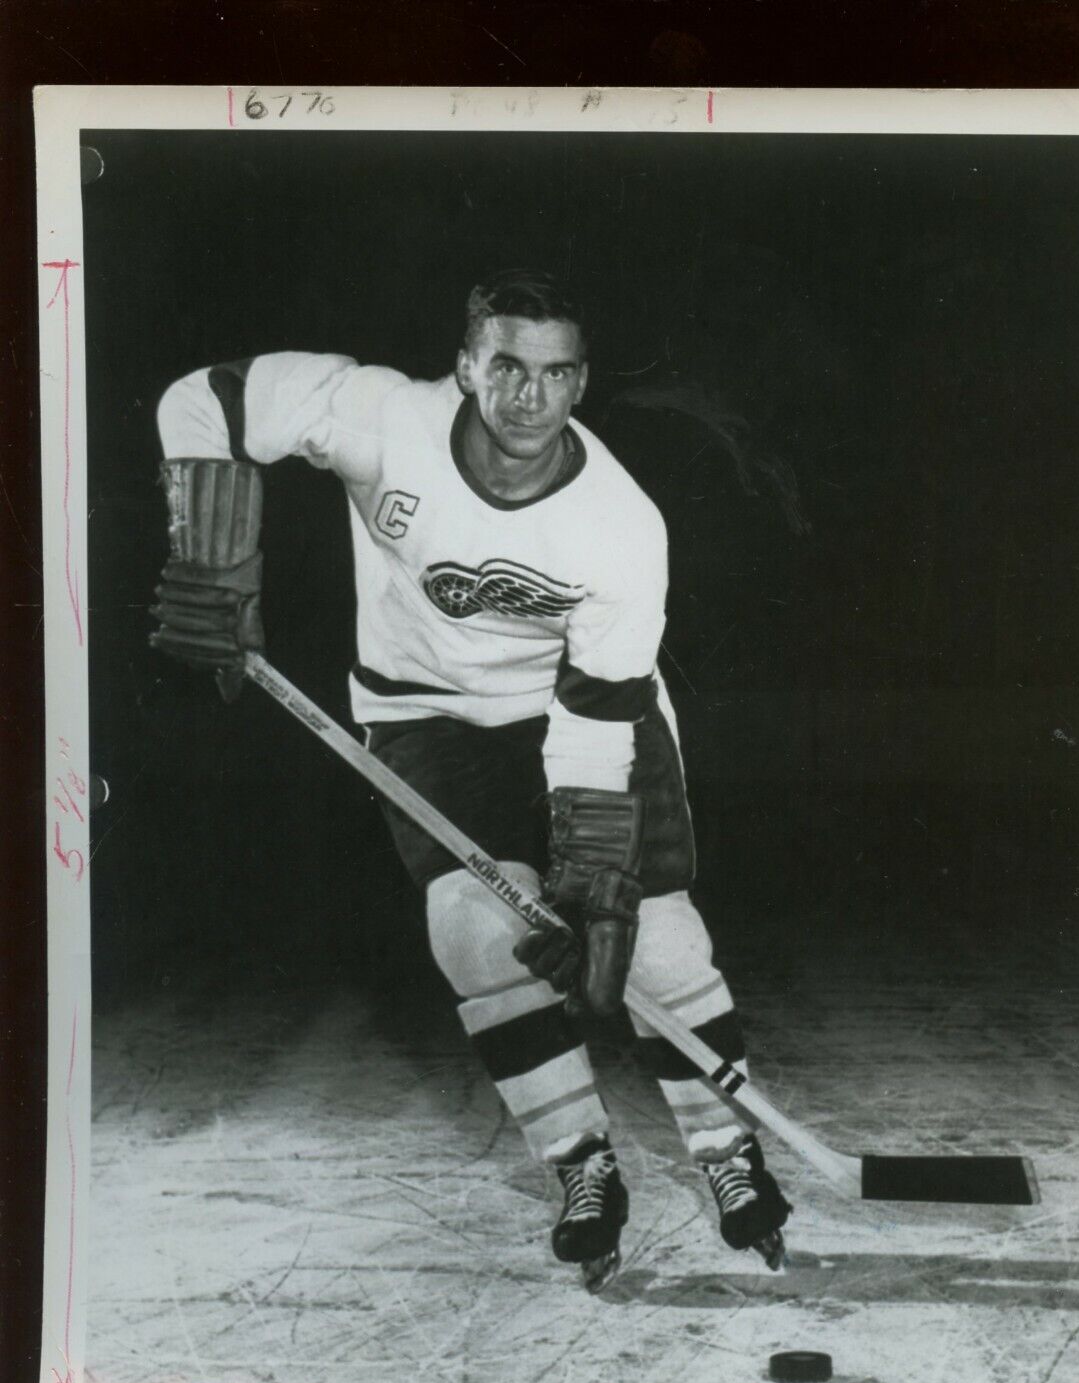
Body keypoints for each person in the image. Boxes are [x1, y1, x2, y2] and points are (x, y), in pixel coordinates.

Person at [150, 268, 791, 1290]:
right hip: (424, 712)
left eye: (554, 372)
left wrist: (589, 874)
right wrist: (214, 557)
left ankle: (727, 1150)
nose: (527, 395)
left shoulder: (622, 527)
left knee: (653, 938)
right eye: (506, 366)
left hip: (582, 714)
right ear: (466, 366)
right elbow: (204, 399)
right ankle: (583, 1163)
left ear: (581, 383)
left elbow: (599, 709)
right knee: (474, 928)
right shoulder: (382, 418)